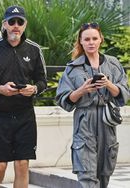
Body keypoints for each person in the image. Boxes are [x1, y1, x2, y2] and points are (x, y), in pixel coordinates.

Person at [0, 5, 47, 188]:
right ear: (4, 24)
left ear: (25, 25)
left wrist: (33, 89)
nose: (16, 25)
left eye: (20, 22)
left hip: (25, 115)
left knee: (22, 165)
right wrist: (1, 89)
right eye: (12, 21)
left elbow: (42, 81)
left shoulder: (34, 49)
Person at [56, 22, 130, 188]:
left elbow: (124, 95)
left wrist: (108, 84)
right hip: (84, 124)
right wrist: (81, 90)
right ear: (81, 41)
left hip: (107, 123)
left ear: (100, 40)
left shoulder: (113, 64)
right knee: (87, 177)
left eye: (94, 38)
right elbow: (63, 100)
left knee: (104, 176)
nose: (91, 42)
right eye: (87, 39)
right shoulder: (73, 68)